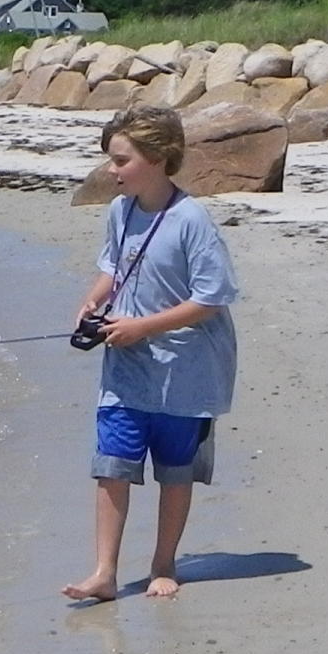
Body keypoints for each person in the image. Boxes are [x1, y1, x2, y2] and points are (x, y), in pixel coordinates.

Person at [62, 106, 239, 604]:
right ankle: (104, 572)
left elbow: (211, 298)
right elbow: (112, 269)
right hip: (126, 367)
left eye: (121, 160)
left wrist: (143, 325)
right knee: (111, 466)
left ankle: (164, 564)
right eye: (111, 160)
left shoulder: (191, 220)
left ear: (159, 158)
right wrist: (94, 300)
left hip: (185, 372)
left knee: (175, 472)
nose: (112, 171)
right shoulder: (119, 211)